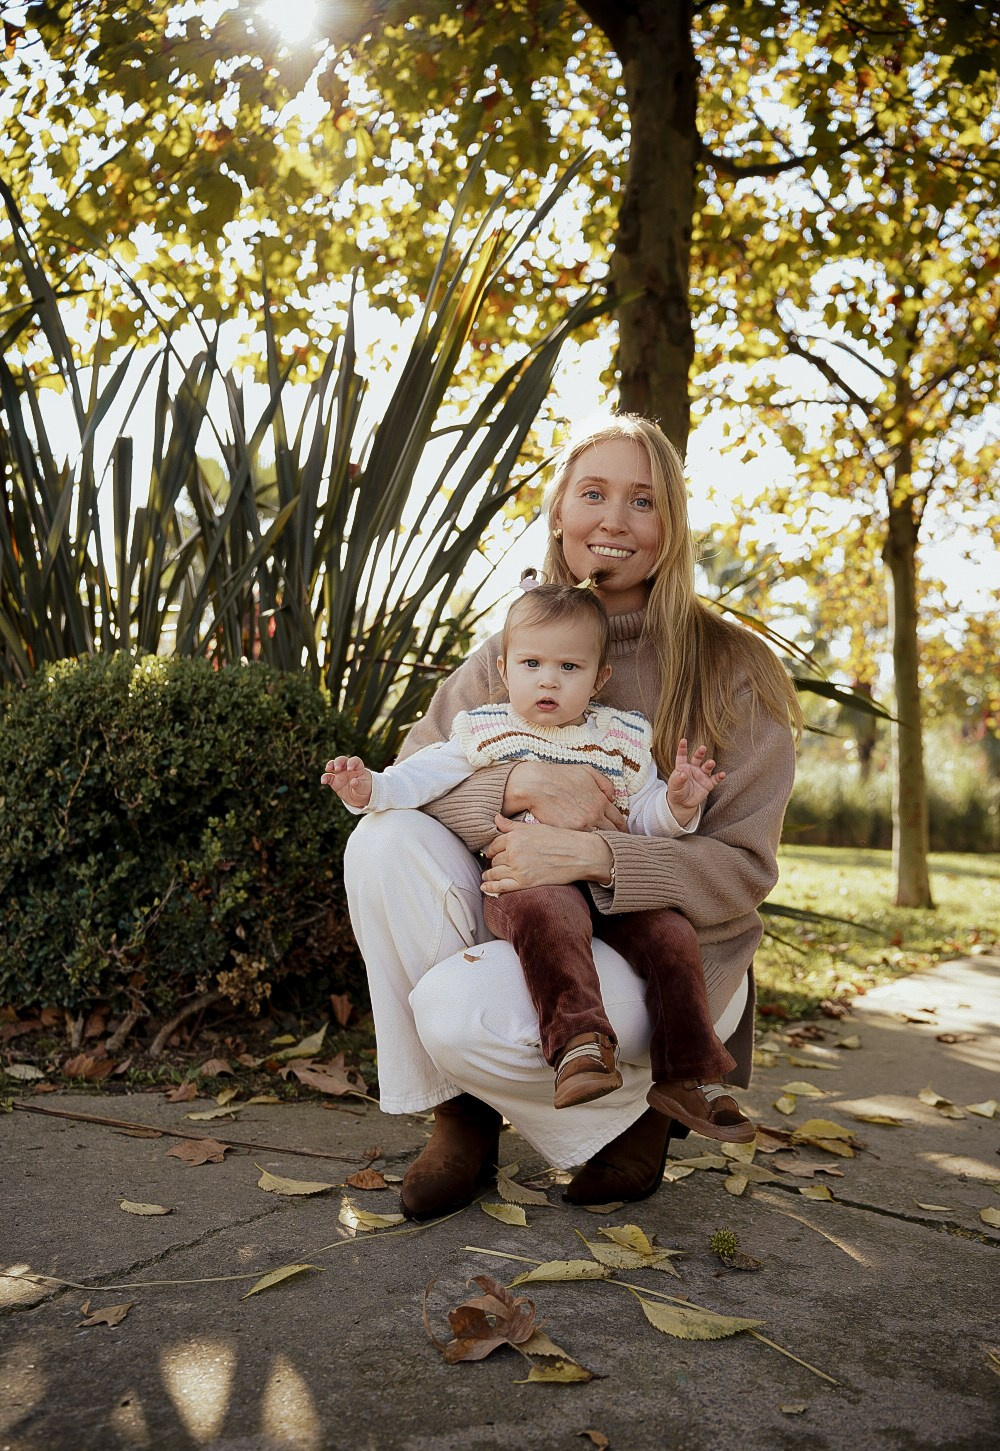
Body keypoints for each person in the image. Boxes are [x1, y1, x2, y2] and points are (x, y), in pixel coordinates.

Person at [341, 413, 800, 1219]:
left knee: (466, 1013)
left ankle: (649, 1106)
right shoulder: (509, 649)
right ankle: (462, 1118)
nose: (614, 520)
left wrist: (594, 855)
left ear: (672, 524)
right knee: (381, 841)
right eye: (593, 493)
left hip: (674, 953)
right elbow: (415, 775)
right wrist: (519, 783)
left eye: (643, 501)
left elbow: (743, 872)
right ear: (558, 511)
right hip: (534, 914)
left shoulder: (735, 670)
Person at [323, 581, 753, 1141]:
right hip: (524, 884)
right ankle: (578, 1045)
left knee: (671, 934)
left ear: (600, 678)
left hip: (609, 889)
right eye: (532, 663)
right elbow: (418, 777)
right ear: (504, 669)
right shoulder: (486, 732)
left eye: (569, 667)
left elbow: (642, 817)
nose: (548, 679)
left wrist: (678, 804)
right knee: (553, 918)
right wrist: (369, 789)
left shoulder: (621, 740)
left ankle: (689, 1074)